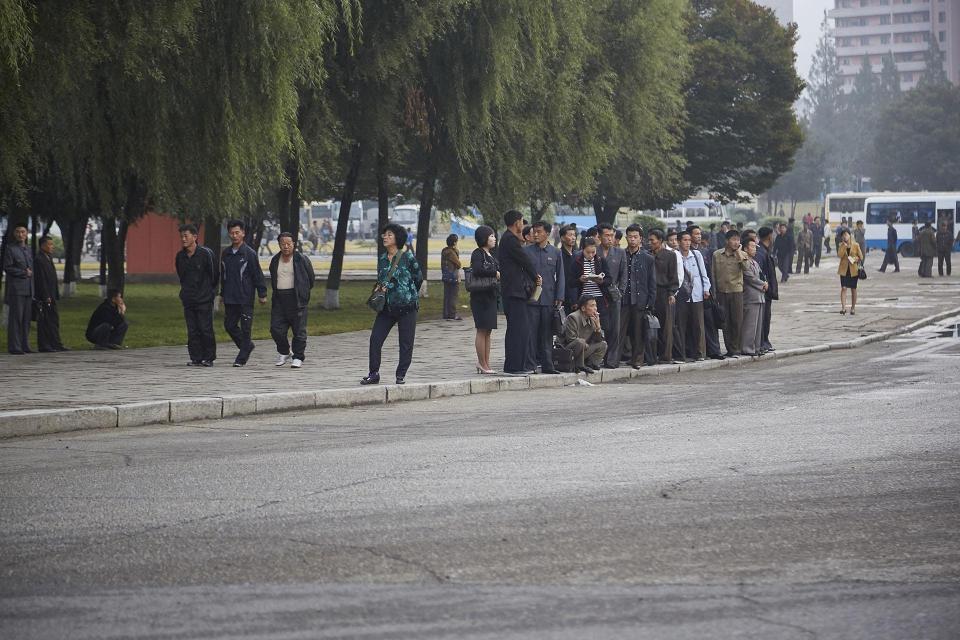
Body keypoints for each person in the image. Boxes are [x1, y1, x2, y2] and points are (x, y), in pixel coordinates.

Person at [361, 224, 423, 385]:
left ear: (397, 238)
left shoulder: (407, 257)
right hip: (386, 308)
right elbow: (381, 279)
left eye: (389, 234)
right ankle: (373, 373)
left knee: (406, 343)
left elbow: (418, 278)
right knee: (375, 339)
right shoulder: (382, 259)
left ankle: (400, 374)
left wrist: (408, 294)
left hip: (407, 307)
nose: (385, 237)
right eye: (384, 234)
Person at [499, 210, 541, 375]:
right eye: (522, 222)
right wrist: (536, 276)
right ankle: (514, 366)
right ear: (516, 222)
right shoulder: (510, 240)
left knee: (519, 329)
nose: (522, 225)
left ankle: (517, 365)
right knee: (519, 329)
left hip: (515, 291)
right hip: (514, 292)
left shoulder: (509, 239)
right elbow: (525, 260)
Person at [220, 220, 268, 367]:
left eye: (237, 233)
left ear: (243, 233)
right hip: (230, 297)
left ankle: (241, 358)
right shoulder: (226, 253)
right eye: (232, 233)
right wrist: (222, 294)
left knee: (246, 329)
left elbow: (257, 274)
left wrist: (262, 293)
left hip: (245, 297)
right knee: (229, 325)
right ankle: (247, 347)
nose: (234, 236)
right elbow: (224, 276)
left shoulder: (249, 253)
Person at [268, 232, 315, 369]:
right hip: (280, 299)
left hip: (297, 299)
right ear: (279, 245)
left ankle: (298, 356)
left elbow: (310, 279)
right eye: (283, 244)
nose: (286, 246)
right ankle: (284, 351)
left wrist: (303, 293)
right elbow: (273, 278)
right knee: (275, 329)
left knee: (299, 330)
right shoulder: (275, 260)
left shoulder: (302, 259)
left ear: (294, 244)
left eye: (289, 243)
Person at [175, 224, 217, 366]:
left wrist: (209, 293)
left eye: (186, 236)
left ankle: (209, 357)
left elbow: (214, 275)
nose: (183, 239)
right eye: (181, 236)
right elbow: (181, 276)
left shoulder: (206, 254)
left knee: (205, 328)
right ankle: (196, 357)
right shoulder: (180, 256)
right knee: (192, 330)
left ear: (195, 237)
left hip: (204, 299)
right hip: (188, 298)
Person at [525, 221, 565, 374]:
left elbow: (561, 276)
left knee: (547, 334)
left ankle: (548, 365)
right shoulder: (527, 251)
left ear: (547, 233)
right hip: (532, 299)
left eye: (539, 231)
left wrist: (560, 296)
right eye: (534, 231)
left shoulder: (555, 252)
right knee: (531, 333)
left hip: (548, 298)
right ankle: (531, 365)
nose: (535, 234)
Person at [620, 224, 656, 368]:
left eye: (635, 237)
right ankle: (613, 360)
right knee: (619, 332)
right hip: (623, 300)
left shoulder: (648, 258)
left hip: (640, 301)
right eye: (630, 237)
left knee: (638, 333)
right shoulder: (621, 254)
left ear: (641, 239)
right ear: (626, 238)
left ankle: (638, 360)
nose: (632, 240)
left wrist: (650, 303)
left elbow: (652, 283)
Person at [712, 229, 749, 358]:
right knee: (725, 321)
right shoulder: (717, 255)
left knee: (737, 321)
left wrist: (739, 252)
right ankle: (730, 349)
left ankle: (736, 348)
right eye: (733, 240)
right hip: (722, 292)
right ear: (727, 241)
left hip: (736, 291)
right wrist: (714, 293)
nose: (736, 242)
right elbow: (713, 274)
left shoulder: (743, 254)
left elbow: (746, 268)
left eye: (738, 240)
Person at [469, 225, 499, 374]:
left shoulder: (491, 254)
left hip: (491, 295)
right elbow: (478, 270)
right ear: (484, 238)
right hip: (480, 297)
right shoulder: (478, 253)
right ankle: (481, 362)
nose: (494, 238)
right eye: (491, 236)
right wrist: (495, 273)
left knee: (488, 331)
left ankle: (486, 362)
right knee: (481, 330)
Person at [596, 222, 626, 368]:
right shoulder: (594, 251)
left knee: (615, 329)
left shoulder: (620, 253)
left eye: (611, 235)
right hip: (596, 296)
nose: (609, 238)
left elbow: (624, 276)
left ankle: (612, 360)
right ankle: (597, 358)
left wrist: (619, 292)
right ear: (599, 237)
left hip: (614, 296)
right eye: (606, 235)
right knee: (599, 327)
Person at [648, 229, 679, 364]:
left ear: (660, 241)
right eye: (648, 240)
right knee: (650, 325)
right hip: (649, 293)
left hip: (664, 293)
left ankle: (666, 355)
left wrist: (671, 293)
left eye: (652, 240)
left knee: (666, 326)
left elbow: (673, 277)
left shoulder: (670, 256)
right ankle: (651, 355)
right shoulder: (647, 255)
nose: (650, 243)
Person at [33, 235, 67, 352]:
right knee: (44, 321)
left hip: (51, 294)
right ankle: (44, 345)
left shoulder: (48, 257)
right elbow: (41, 279)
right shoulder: (39, 259)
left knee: (53, 320)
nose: (52, 247)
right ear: (43, 245)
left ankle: (56, 343)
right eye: (50, 244)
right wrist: (45, 295)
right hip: (44, 296)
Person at [3, 224, 33, 354]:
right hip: (17, 289)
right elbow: (7, 267)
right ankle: (15, 347)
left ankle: (25, 345)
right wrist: (23, 272)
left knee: (26, 319)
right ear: (15, 234)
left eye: (23, 232)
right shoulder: (11, 249)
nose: (21, 234)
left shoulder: (28, 249)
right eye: (18, 232)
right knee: (16, 319)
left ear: (27, 234)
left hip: (29, 289)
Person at [561, 295, 607, 373]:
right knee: (580, 342)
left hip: (583, 348)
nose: (595, 308)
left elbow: (598, 340)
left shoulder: (592, 318)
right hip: (569, 351)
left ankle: (590, 364)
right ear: (583, 308)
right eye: (592, 306)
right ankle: (579, 365)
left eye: (595, 305)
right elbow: (570, 339)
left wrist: (598, 327)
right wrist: (585, 344)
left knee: (603, 344)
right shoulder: (573, 317)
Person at [698, 231, 724, 360]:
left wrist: (712, 292)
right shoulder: (691, 253)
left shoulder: (708, 253)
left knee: (711, 323)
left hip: (708, 294)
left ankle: (714, 350)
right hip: (695, 295)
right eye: (695, 234)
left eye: (699, 235)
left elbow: (711, 274)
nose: (698, 237)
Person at [741, 238, 768, 357]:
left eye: (755, 246)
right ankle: (747, 348)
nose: (755, 249)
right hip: (751, 296)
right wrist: (762, 284)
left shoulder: (754, 262)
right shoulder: (745, 261)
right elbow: (749, 277)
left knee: (758, 325)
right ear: (745, 248)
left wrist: (765, 282)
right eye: (752, 246)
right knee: (750, 325)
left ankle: (756, 347)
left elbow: (761, 275)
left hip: (759, 296)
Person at [756, 227, 779, 354]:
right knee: (763, 319)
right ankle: (762, 342)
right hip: (763, 292)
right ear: (770, 236)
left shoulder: (765, 251)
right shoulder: (761, 252)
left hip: (767, 292)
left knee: (766, 318)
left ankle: (765, 341)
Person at [837, 229, 863, 315]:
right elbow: (839, 255)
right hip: (844, 270)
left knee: (853, 289)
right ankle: (843, 308)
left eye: (846, 234)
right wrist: (844, 246)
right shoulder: (841, 245)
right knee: (844, 288)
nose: (845, 236)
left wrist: (854, 259)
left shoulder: (856, 245)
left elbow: (861, 257)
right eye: (843, 235)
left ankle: (853, 308)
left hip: (853, 270)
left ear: (850, 235)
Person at [440, 234, 462, 321]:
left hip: (446, 276)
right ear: (454, 242)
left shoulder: (444, 251)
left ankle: (446, 314)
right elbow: (458, 264)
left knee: (447, 296)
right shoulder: (452, 252)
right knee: (453, 296)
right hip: (453, 277)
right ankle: (452, 314)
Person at [558, 224, 578, 312]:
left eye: (574, 235)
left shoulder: (577, 255)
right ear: (562, 238)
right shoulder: (558, 255)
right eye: (570, 235)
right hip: (563, 298)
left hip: (577, 297)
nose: (573, 238)